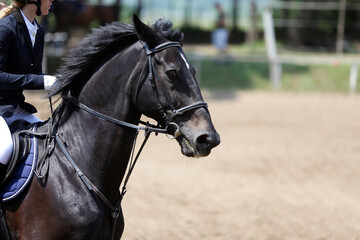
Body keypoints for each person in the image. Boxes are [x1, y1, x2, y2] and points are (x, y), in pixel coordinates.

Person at [0, 0, 56, 183]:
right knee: (4, 149)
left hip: (15, 107)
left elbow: (33, 74)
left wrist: (63, 82)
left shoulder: (37, 31)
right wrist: (42, 80)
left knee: (51, 137)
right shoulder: (5, 29)